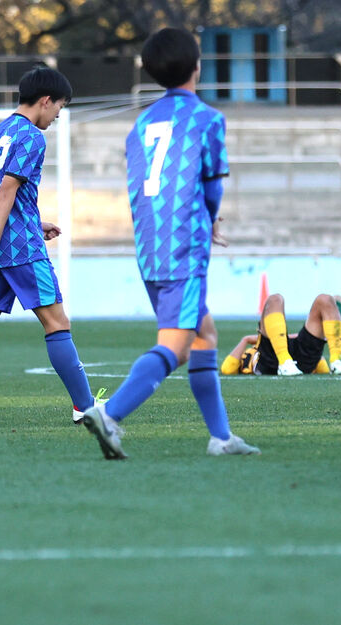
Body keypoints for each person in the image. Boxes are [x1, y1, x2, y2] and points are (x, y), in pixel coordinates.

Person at [79, 28, 259, 459]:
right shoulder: (208, 119)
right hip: (185, 245)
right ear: (198, 66)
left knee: (204, 334)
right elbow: (212, 185)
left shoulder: (140, 124)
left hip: (149, 244)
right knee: (176, 346)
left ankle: (221, 436)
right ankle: (110, 414)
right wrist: (211, 219)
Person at [0, 65, 98, 428]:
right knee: (57, 323)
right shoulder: (31, 136)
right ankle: (85, 407)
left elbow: (0, 192)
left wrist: (19, 227)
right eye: (58, 106)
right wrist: (2, 237)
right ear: (45, 100)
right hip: (16, 247)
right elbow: (8, 187)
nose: (58, 115)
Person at [221, 293, 341, 376]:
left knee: (326, 299)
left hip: (298, 356)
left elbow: (322, 369)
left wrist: (289, 339)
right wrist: (246, 340)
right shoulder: (251, 353)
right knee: (275, 299)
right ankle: (285, 362)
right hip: (270, 361)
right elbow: (227, 369)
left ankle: (336, 361)